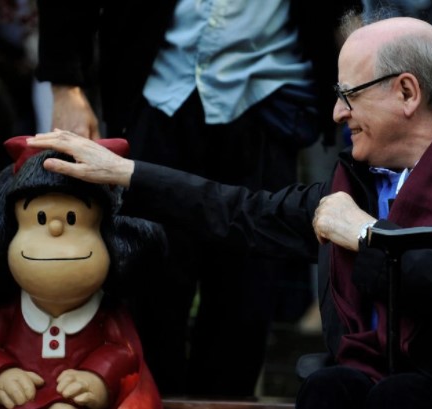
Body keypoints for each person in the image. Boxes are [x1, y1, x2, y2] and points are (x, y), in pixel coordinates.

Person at [27, 15, 432, 409]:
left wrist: (372, 236)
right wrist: (124, 173)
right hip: (379, 382)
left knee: (401, 398)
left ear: (407, 92)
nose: (336, 112)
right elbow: (235, 209)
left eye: (348, 94)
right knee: (330, 388)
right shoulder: (353, 182)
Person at [34, 0, 361, 396]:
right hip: (157, 92)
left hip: (268, 98)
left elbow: (346, 9)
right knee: (149, 285)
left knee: (246, 299)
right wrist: (66, 85)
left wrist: (359, 87)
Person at [0, 136, 165, 409]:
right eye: (39, 219)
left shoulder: (106, 313)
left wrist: (97, 376)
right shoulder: (9, 311)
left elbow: (125, 353)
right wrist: (0, 373)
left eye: (73, 219)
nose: (56, 231)